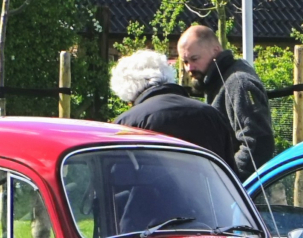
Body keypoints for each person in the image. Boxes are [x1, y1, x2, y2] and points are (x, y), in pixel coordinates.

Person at [110, 49, 239, 168]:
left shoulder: (126, 125)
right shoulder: (211, 115)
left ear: (128, 92)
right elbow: (229, 173)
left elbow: (116, 179)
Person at [177, 25, 276, 178]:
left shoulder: (238, 82)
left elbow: (258, 143)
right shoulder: (216, 83)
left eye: (194, 59)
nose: (190, 67)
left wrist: (226, 181)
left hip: (250, 193)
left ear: (215, 50)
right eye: (185, 62)